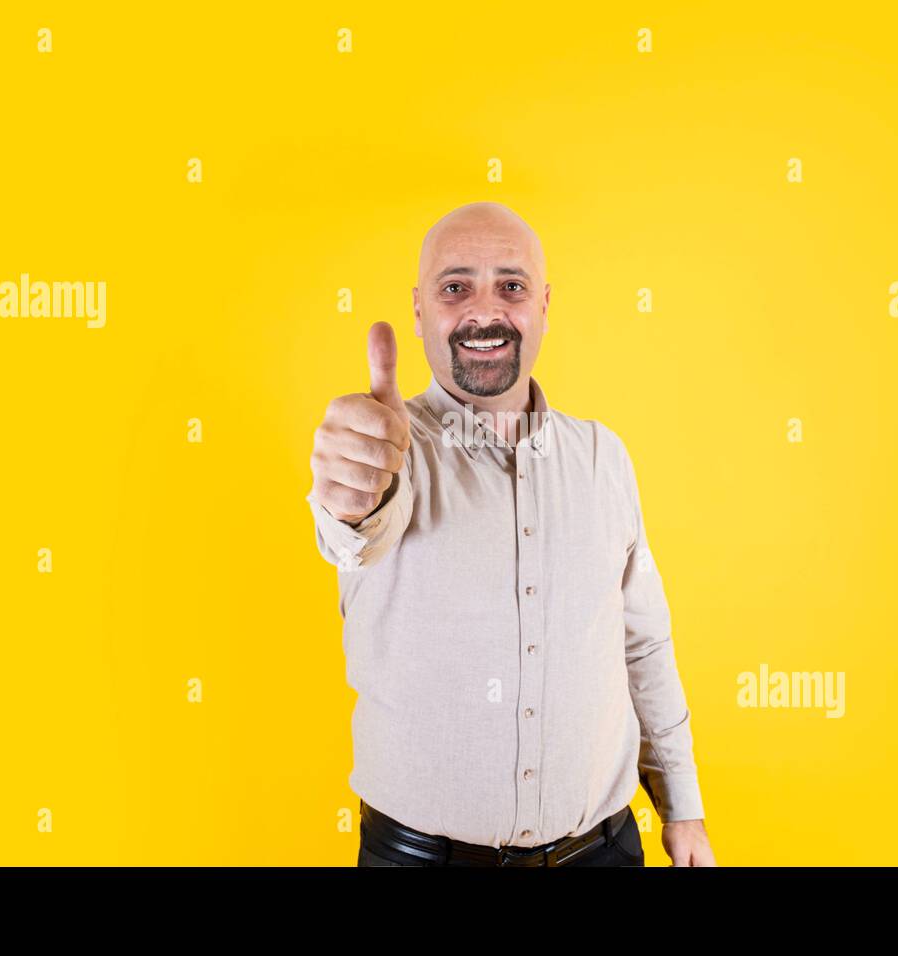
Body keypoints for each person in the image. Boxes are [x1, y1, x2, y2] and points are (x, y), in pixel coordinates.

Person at [307, 201, 716, 866]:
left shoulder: (602, 457)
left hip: (604, 852)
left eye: (512, 286)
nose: (485, 311)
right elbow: (356, 530)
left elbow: (643, 643)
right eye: (455, 287)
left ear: (544, 306)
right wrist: (352, 491)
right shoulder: (390, 454)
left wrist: (684, 806)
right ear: (418, 312)